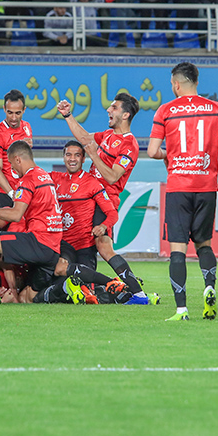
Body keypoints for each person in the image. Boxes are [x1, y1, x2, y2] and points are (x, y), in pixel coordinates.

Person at [147, 62, 218, 321]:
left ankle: (181, 310)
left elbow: (153, 151)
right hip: (207, 187)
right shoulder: (216, 108)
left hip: (179, 187)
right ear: (196, 82)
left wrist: (171, 154)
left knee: (178, 249)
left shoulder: (166, 110)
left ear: (176, 84)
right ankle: (209, 287)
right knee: (204, 244)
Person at [0, 140, 114, 306]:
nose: (13, 170)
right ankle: (85, 287)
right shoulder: (44, 176)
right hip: (53, 247)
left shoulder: (28, 180)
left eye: (11, 164)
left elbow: (16, 214)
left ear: (17, 159)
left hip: (38, 241)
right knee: (27, 298)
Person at [55, 92, 151, 304]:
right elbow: (84, 139)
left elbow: (113, 175)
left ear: (125, 115)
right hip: (90, 197)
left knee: (103, 246)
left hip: (104, 200)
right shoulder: (108, 135)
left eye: (114, 108)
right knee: (89, 244)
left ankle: (137, 293)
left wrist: (94, 155)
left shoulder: (129, 144)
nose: (108, 110)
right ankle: (107, 288)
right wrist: (68, 115)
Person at [0, 89, 33, 208]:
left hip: (24, 192)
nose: (13, 118)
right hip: (4, 195)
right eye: (9, 112)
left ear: (24, 110)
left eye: (17, 113)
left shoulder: (27, 127)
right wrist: (11, 194)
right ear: (4, 109)